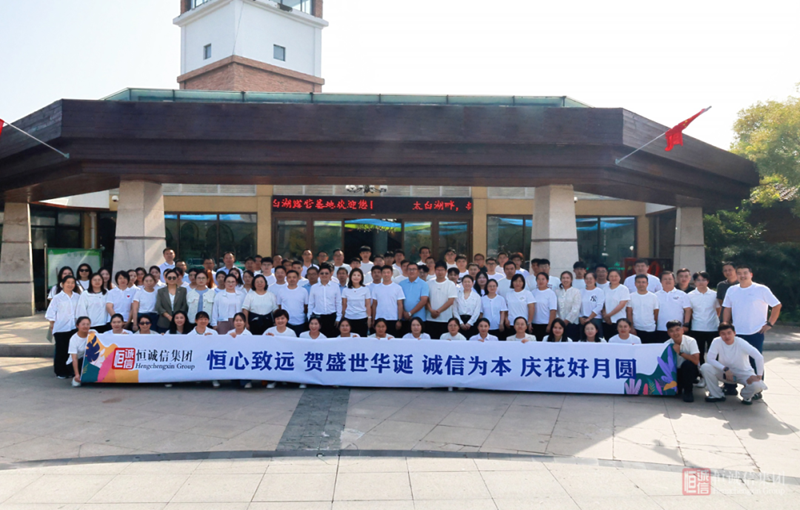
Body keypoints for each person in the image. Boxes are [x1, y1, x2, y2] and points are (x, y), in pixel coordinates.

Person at [722, 264, 780, 397]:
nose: (742, 276)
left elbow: (777, 305)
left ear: (751, 274)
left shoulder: (761, 289)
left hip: (755, 332)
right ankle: (730, 387)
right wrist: (725, 325)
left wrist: (770, 323)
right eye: (739, 273)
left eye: (745, 273)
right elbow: (727, 308)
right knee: (732, 360)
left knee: (755, 361)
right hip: (736, 332)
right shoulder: (732, 290)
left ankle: (757, 389)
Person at [701, 323, 767, 405]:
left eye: (729, 333)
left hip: (743, 373)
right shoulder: (716, 341)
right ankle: (716, 395)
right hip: (725, 372)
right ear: (720, 335)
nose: (727, 336)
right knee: (705, 367)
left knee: (758, 384)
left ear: (734, 333)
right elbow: (710, 359)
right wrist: (725, 369)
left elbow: (759, 357)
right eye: (723, 334)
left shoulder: (741, 342)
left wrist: (759, 376)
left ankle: (746, 396)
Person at [46, 275, 81, 378]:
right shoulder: (57, 298)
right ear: (63, 284)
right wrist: (52, 325)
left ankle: (70, 370)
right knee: (61, 351)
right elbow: (51, 313)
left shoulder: (77, 297)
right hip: (61, 328)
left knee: (72, 351)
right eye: (68, 282)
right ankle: (60, 371)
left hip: (74, 327)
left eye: (72, 283)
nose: (70, 285)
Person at [688, 271, 721, 370]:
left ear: (708, 281)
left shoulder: (714, 295)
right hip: (697, 328)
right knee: (699, 353)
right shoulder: (690, 295)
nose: (701, 282)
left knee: (714, 353)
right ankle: (701, 373)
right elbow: (689, 312)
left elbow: (718, 311)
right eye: (698, 280)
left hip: (713, 328)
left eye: (703, 280)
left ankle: (715, 373)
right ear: (694, 282)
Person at [665, 320, 701, 402]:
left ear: (682, 330)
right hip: (676, 372)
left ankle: (688, 392)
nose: (675, 333)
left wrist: (680, 353)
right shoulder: (666, 344)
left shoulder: (691, 341)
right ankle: (679, 387)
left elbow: (696, 361)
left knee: (688, 364)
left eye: (677, 330)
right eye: (671, 331)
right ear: (668, 333)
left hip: (690, 371)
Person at [655, 271, 692, 342]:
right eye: (665, 279)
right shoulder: (656, 295)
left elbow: (687, 310)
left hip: (677, 330)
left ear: (674, 281)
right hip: (661, 328)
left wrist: (686, 324)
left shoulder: (682, 294)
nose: (668, 281)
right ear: (661, 281)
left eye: (670, 279)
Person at [308, 264, 343, 338]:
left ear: (330, 274)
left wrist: (338, 317)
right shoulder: (314, 287)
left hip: (331, 317)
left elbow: (338, 303)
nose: (324, 275)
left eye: (326, 273)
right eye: (322, 273)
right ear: (319, 275)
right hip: (318, 317)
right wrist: (309, 317)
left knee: (331, 338)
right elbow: (311, 303)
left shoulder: (335, 286)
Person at [426, 261, 459, 339]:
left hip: (445, 319)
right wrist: (431, 310)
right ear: (435, 271)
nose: (440, 272)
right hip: (430, 318)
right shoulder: (428, 283)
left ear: (446, 271)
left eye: (442, 270)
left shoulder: (450, 284)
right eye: (438, 270)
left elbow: (451, 301)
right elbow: (426, 299)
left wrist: (438, 311)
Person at [371, 265, 405, 338]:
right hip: (379, 318)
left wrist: (399, 320)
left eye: (388, 272)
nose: (386, 274)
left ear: (392, 274)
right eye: (384, 272)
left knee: (392, 340)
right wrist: (373, 319)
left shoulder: (397, 288)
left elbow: (400, 305)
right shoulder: (376, 288)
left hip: (393, 319)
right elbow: (374, 305)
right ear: (381, 274)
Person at [627, 274, 660, 344]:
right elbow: (629, 313)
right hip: (636, 328)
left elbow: (656, 313)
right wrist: (631, 327)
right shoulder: (631, 296)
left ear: (647, 284)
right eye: (638, 282)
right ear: (635, 284)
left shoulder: (653, 297)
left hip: (650, 329)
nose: (641, 284)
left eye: (643, 282)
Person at [398, 262, 429, 335]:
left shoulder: (424, 284)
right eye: (409, 269)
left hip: (419, 319)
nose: (411, 271)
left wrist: (410, 313)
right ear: (406, 271)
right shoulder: (401, 284)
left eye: (414, 269)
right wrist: (404, 313)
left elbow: (424, 301)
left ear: (418, 271)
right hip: (404, 318)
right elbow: (399, 301)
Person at [600, 269, 630, 340]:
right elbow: (602, 304)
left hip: (619, 320)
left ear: (620, 277)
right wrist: (605, 316)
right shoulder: (605, 289)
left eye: (616, 276)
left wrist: (609, 315)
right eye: (611, 276)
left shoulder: (623, 289)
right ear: (608, 277)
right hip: (606, 321)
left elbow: (621, 304)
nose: (614, 278)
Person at [67, 316, 96, 387]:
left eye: (88, 324)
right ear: (77, 325)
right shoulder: (74, 339)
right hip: (77, 362)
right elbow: (74, 358)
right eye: (83, 324)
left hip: (89, 360)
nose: (85, 326)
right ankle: (76, 377)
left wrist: (94, 335)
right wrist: (77, 374)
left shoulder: (93, 333)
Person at [342, 268, 371, 338]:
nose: (356, 277)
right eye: (354, 275)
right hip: (349, 317)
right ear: (350, 277)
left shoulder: (365, 289)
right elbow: (344, 305)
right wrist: (342, 317)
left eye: (358, 275)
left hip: (362, 318)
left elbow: (368, 305)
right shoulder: (345, 290)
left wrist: (369, 318)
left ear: (361, 277)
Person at [279, 270, 310, 335]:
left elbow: (306, 306)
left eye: (294, 277)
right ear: (286, 279)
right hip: (286, 322)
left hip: (300, 321)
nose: (292, 279)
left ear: (298, 278)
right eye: (289, 277)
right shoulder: (281, 291)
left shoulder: (303, 291)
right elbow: (279, 306)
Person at [504, 274, 536, 338]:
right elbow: (505, 309)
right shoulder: (508, 294)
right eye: (515, 281)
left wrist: (529, 322)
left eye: (520, 281)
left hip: (523, 324)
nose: (517, 283)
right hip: (511, 323)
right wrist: (506, 319)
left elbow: (531, 308)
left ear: (523, 282)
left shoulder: (527, 293)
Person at [530, 273, 557, 341]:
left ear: (547, 281)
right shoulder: (532, 293)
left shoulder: (551, 293)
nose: (541, 281)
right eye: (539, 279)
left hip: (546, 324)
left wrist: (550, 325)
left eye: (543, 279)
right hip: (534, 324)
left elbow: (553, 311)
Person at [556, 271, 582, 341]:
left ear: (571, 280)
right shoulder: (557, 291)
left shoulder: (576, 291)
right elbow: (555, 307)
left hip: (572, 323)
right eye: (563, 278)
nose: (565, 280)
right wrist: (559, 320)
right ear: (561, 280)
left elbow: (576, 308)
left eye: (567, 278)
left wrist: (566, 321)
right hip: (558, 324)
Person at [579, 272, 605, 341]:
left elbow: (599, 306)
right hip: (583, 319)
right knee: (583, 339)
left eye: (591, 278)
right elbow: (578, 306)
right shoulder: (580, 291)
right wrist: (580, 317)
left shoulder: (599, 291)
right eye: (586, 279)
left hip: (595, 319)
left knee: (597, 339)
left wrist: (589, 318)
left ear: (595, 279)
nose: (588, 280)